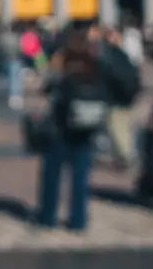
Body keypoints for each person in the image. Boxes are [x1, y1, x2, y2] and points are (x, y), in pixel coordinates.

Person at [35, 30, 109, 231]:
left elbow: (48, 89)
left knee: (52, 174)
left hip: (61, 129)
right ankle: (79, 220)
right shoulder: (95, 66)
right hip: (86, 129)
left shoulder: (64, 68)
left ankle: (48, 216)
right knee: (80, 177)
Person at [97, 26, 141, 170]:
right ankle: (124, 156)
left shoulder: (109, 56)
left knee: (118, 130)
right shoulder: (123, 55)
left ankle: (126, 157)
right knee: (124, 130)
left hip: (116, 99)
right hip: (126, 98)